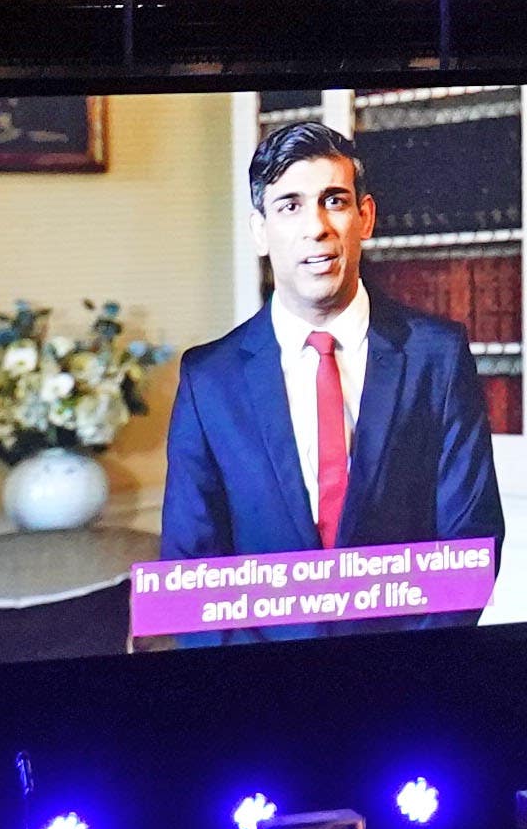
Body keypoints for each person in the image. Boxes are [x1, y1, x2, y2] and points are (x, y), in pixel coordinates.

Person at [162, 118, 505, 554]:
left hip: (408, 624)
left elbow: (471, 544)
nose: (316, 227)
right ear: (260, 232)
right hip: (263, 626)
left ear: (365, 218)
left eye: (334, 201)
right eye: (290, 205)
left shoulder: (437, 357)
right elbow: (190, 568)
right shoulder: (208, 379)